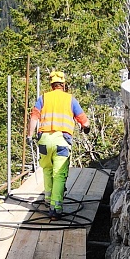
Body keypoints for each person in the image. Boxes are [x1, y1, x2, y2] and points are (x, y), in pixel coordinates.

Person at [27, 69, 90, 218]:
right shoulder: (70, 100)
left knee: (47, 170)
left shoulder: (43, 98)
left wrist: (30, 135)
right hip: (61, 140)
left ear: (51, 84)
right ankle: (56, 208)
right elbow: (85, 122)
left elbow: (34, 118)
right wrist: (85, 127)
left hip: (44, 140)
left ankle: (48, 199)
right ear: (63, 84)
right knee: (59, 174)